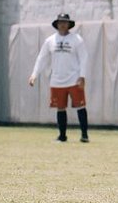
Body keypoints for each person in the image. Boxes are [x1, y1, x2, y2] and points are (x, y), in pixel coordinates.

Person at [28, 13, 89, 142]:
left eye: (65, 22)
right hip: (57, 80)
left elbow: (84, 58)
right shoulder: (50, 41)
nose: (62, 24)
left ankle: (84, 135)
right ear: (56, 24)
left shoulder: (76, 39)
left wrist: (82, 76)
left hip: (74, 78)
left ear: (69, 24)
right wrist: (34, 74)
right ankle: (62, 136)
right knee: (60, 107)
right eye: (60, 22)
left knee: (80, 106)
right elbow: (42, 58)